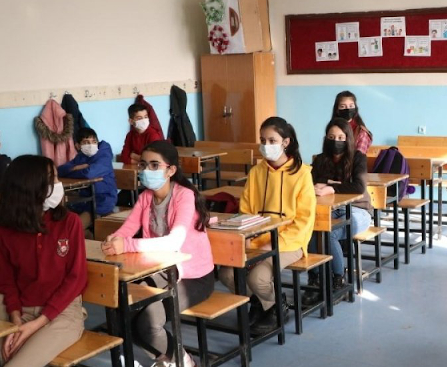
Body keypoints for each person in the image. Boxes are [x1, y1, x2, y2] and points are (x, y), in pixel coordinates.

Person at [103, 141, 214, 367]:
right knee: (121, 313)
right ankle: (168, 358)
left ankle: (183, 362)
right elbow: (128, 227)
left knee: (148, 321)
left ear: (171, 170)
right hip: (159, 270)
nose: (147, 170)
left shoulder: (184, 196)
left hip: (192, 276)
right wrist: (114, 239)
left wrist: (127, 245)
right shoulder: (146, 197)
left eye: (155, 165)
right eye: (143, 165)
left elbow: (174, 241)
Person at [0, 155, 87, 367]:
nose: (59, 185)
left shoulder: (69, 222)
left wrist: (35, 325)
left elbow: (77, 278)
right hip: (22, 313)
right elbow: (6, 281)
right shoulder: (2, 231)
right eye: (52, 179)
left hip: (62, 313)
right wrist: (16, 321)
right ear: (29, 187)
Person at [232, 117, 315, 336]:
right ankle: (260, 302)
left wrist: (272, 245)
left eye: (272, 140)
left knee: (257, 277)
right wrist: (247, 238)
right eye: (262, 140)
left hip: (290, 243)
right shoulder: (256, 172)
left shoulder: (302, 174)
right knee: (229, 274)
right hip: (257, 240)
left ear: (285, 142)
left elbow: (303, 222)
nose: (266, 145)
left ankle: (276, 307)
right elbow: (246, 210)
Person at [302, 118, 372, 305]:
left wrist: (331, 187)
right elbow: (311, 183)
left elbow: (358, 187)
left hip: (358, 210)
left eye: (341, 137)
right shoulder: (320, 160)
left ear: (348, 138)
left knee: (329, 232)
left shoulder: (358, 158)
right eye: (332, 137)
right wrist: (324, 185)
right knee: (312, 229)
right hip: (330, 209)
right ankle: (315, 280)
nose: (336, 141)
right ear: (326, 138)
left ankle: (338, 280)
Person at [57, 127, 117, 228]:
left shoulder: (104, 154)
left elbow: (89, 173)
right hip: (84, 198)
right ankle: (86, 234)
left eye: (94, 141)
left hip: (103, 199)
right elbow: (60, 171)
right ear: (78, 146)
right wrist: (75, 167)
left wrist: (73, 171)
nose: (91, 145)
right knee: (61, 216)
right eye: (86, 142)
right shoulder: (80, 157)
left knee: (76, 226)